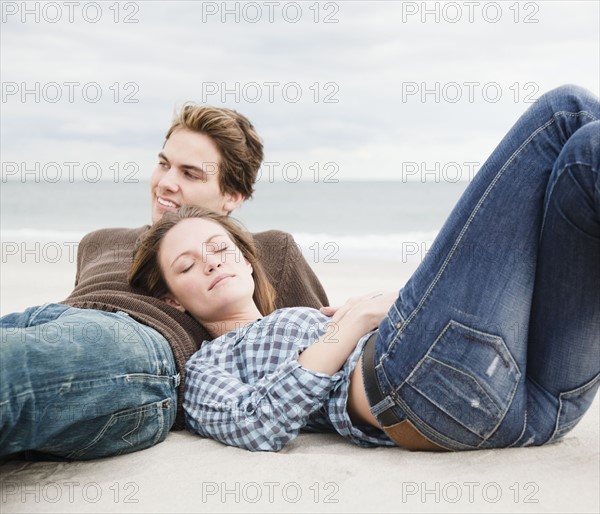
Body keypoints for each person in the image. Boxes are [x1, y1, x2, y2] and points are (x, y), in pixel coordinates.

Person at [129, 84, 599, 452]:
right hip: (427, 391)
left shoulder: (298, 310)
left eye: (218, 247)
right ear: (171, 297)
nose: (211, 261)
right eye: (188, 264)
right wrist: (353, 323)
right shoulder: (208, 365)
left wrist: (380, 309)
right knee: (565, 112)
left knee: (587, 150)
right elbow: (257, 425)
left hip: (541, 410)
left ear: (248, 261)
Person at [0, 105, 328, 460]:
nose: (166, 182)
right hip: (51, 319)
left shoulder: (264, 251)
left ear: (232, 196)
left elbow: (319, 350)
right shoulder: (99, 239)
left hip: (142, 346)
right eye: (164, 164)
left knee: (13, 369)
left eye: (190, 174)